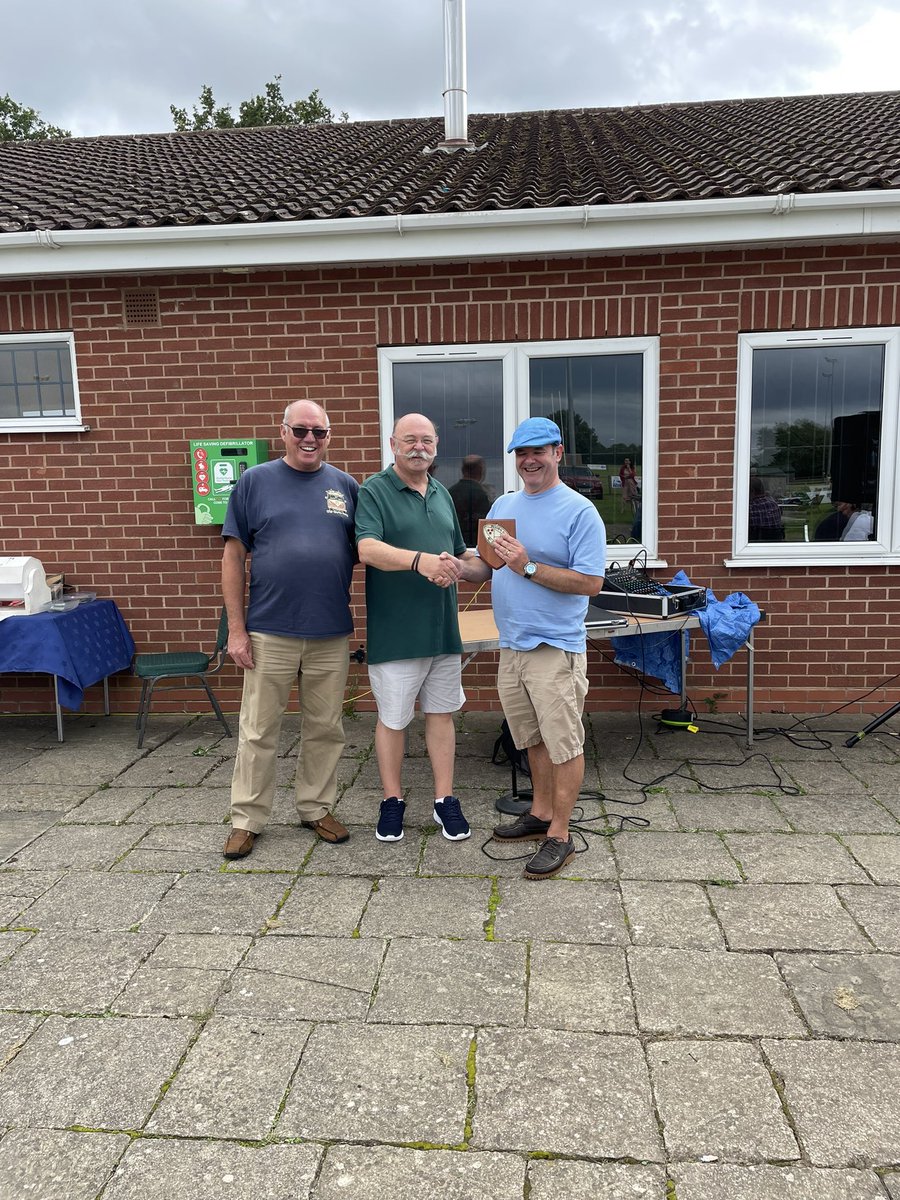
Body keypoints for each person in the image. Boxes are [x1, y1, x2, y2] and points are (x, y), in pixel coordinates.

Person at [458, 417, 606, 881]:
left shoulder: (580, 511)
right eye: (521, 453)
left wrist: (528, 566)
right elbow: (487, 568)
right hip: (513, 645)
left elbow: (590, 582)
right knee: (531, 739)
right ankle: (540, 813)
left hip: (554, 648)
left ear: (558, 453)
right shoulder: (503, 505)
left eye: (538, 451)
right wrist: (457, 565)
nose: (529, 461)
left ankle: (560, 834)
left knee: (564, 744)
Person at [221, 400, 358, 860]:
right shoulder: (254, 482)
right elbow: (233, 557)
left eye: (319, 432)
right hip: (269, 630)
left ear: (328, 436)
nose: (309, 439)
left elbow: (369, 549)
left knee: (326, 727)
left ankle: (315, 807)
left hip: (330, 631)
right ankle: (246, 820)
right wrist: (236, 630)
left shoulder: (346, 486)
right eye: (300, 430)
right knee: (258, 730)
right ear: (283, 432)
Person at [355, 412, 472, 844]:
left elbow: (459, 552)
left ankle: (445, 799)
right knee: (393, 719)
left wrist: (471, 564)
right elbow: (368, 549)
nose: (418, 447)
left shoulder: (442, 493)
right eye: (410, 439)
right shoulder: (374, 490)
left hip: (442, 630)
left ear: (436, 447)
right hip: (397, 631)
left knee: (442, 715)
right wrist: (421, 562)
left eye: (426, 440)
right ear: (393, 444)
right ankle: (392, 800)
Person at [448, 454, 491, 546]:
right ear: (480, 470)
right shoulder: (480, 494)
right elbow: (485, 524)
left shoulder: (449, 493)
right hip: (475, 545)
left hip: (453, 545)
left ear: (463, 470)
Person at [747, 476, 784, 541]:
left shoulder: (751, 508)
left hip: (755, 543)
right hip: (775, 542)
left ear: (752, 491)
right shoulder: (774, 504)